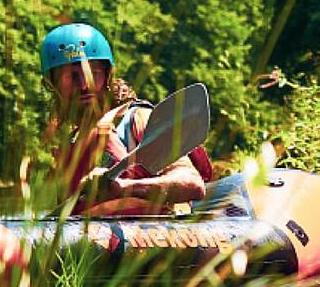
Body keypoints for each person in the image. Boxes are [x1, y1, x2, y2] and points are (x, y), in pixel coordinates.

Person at [40, 22, 209, 214]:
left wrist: (123, 187)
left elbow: (193, 183)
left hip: (148, 236)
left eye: (92, 74)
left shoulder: (137, 119)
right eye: (71, 77)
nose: (85, 85)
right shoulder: (70, 144)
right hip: (89, 239)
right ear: (52, 84)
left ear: (107, 75)